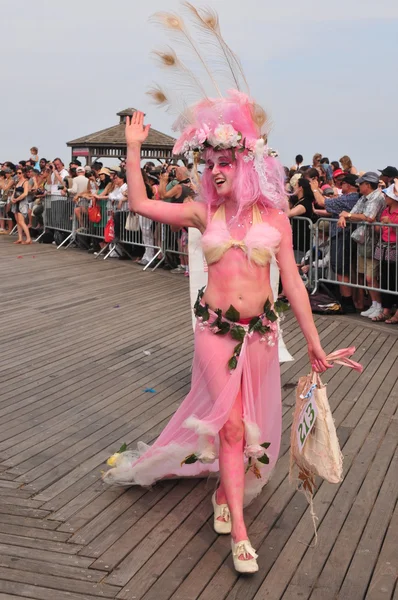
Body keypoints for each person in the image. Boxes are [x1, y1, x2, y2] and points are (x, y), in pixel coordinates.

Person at [338, 172, 385, 319]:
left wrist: (348, 216)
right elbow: (351, 213)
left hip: (375, 242)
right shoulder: (364, 197)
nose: (359, 186)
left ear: (368, 185)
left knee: (371, 277)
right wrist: (343, 216)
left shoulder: (377, 197)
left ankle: (378, 306)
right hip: (365, 241)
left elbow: (369, 217)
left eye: (361, 183)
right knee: (367, 276)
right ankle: (374, 304)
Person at [314, 174, 360, 312]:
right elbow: (331, 210)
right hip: (341, 236)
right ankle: (349, 300)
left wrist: (315, 189)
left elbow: (323, 202)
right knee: (342, 269)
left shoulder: (351, 198)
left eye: (342, 182)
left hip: (342, 236)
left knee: (341, 268)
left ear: (349, 185)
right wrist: (316, 211)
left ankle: (347, 302)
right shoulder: (348, 198)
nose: (340, 185)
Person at [371, 183, 398, 324]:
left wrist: (392, 224)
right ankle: (386, 310)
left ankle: (396, 313)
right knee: (386, 280)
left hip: (395, 248)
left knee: (396, 280)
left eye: (387, 195)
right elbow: (381, 230)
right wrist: (378, 227)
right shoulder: (385, 211)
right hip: (385, 248)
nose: (385, 197)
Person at [288, 177, 316, 261]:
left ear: (300, 188)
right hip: (295, 241)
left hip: (301, 243)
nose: (294, 187)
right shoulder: (299, 201)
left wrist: (285, 201)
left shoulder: (305, 203)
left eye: (296, 185)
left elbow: (288, 214)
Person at [11, 167, 32, 244]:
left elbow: (25, 193)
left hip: (22, 203)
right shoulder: (17, 182)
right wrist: (12, 198)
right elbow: (14, 191)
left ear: (23, 173)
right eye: (17, 173)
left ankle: (28, 238)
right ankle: (20, 238)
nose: (18, 174)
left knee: (21, 221)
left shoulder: (25, 182)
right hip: (16, 202)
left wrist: (17, 199)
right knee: (18, 221)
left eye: (20, 173)